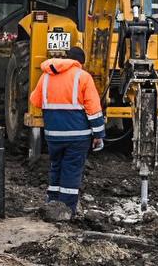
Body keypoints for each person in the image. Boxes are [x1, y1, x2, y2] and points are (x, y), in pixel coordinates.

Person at [28, 46, 104, 215]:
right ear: (80, 63)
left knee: (56, 166)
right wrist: (99, 135)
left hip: (53, 135)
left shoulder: (46, 75)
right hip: (78, 135)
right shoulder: (82, 76)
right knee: (71, 170)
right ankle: (66, 209)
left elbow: (35, 100)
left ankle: (52, 203)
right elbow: (93, 108)